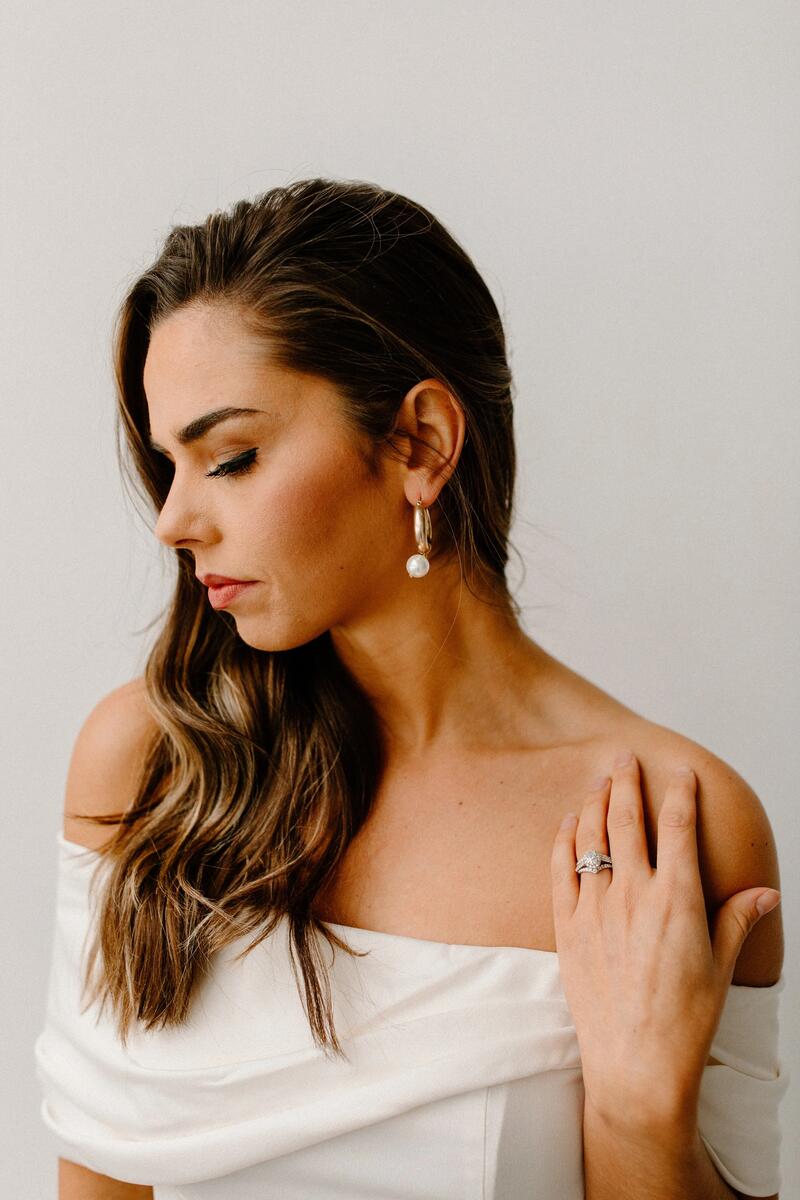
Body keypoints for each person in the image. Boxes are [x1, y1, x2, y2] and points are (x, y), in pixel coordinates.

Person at [34, 177, 788, 1199]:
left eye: (232, 457)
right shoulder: (153, 767)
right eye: (169, 464)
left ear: (420, 443)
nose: (173, 520)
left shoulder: (666, 823)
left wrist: (638, 1116)